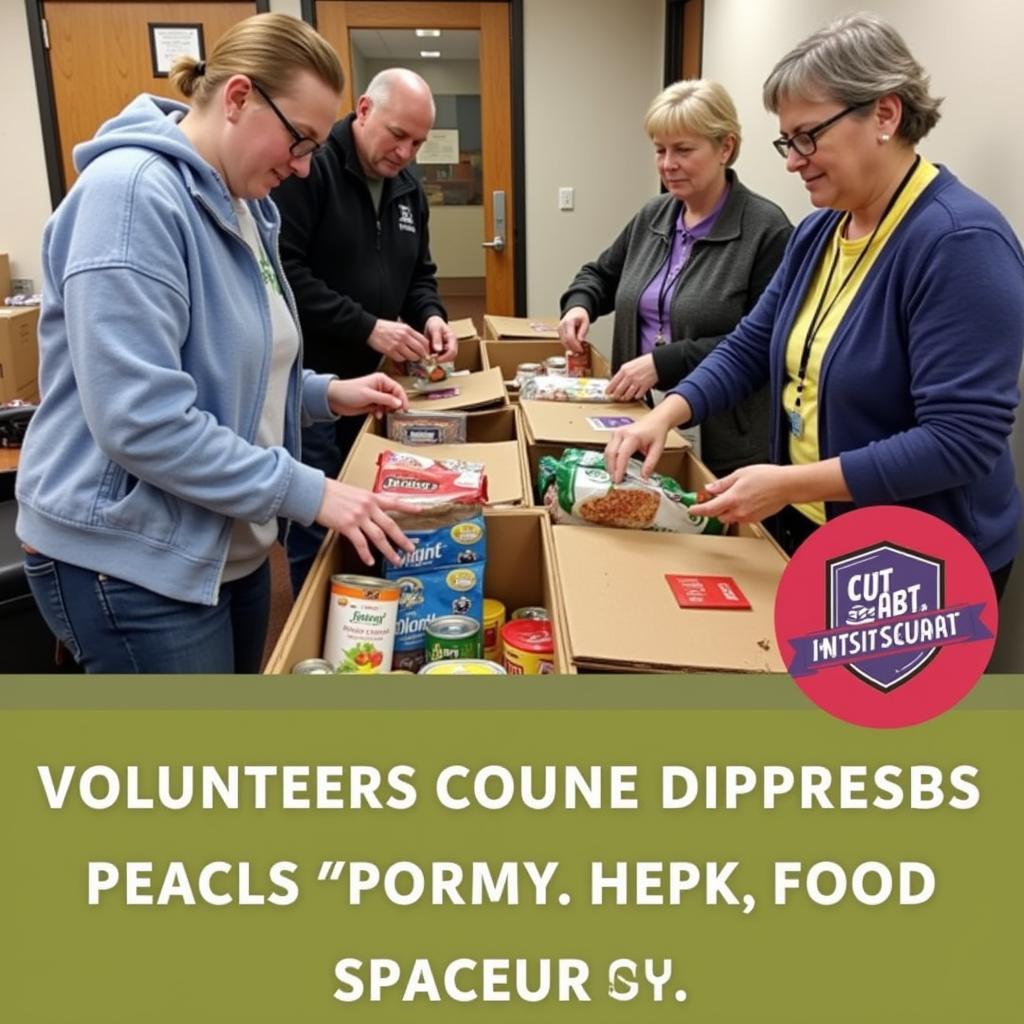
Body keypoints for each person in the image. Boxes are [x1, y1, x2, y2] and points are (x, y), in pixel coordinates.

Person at [15, 14, 419, 673]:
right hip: (128, 558)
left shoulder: (241, 203)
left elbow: (237, 363)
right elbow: (141, 420)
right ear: (237, 98)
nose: (304, 165)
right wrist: (309, 490)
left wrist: (322, 393)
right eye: (300, 140)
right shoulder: (133, 198)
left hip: (219, 539)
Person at [605, 13, 1024, 598]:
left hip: (920, 559)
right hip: (815, 526)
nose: (792, 159)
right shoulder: (821, 230)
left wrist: (790, 483)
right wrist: (668, 412)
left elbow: (961, 439)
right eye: (787, 140)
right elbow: (753, 343)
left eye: (809, 136)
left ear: (885, 113)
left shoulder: (960, 243)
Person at [274, 68, 457, 593]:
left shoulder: (407, 188)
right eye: (398, 135)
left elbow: (419, 274)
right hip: (309, 382)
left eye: (418, 142)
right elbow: (284, 274)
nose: (406, 152)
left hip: (375, 385)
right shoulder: (309, 170)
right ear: (363, 109)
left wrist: (432, 315)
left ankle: (370, 611)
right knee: (318, 522)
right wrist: (368, 327)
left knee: (371, 506)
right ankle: (318, 630)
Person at [559, 80, 792, 477]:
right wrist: (580, 303)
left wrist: (664, 363)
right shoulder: (655, 215)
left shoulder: (766, 230)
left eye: (683, 149)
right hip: (637, 414)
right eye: (660, 150)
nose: (668, 164)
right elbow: (600, 275)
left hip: (724, 436)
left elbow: (766, 342)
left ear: (726, 148)